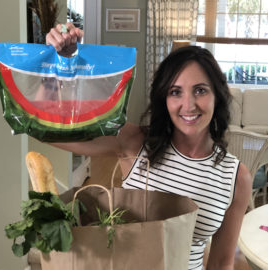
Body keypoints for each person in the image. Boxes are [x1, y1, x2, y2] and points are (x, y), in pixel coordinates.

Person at [45, 23, 252, 270]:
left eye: (200, 90)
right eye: (175, 92)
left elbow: (220, 262)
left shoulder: (236, 177)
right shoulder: (136, 143)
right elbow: (52, 131)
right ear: (163, 98)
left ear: (217, 95)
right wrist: (61, 66)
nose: (188, 105)